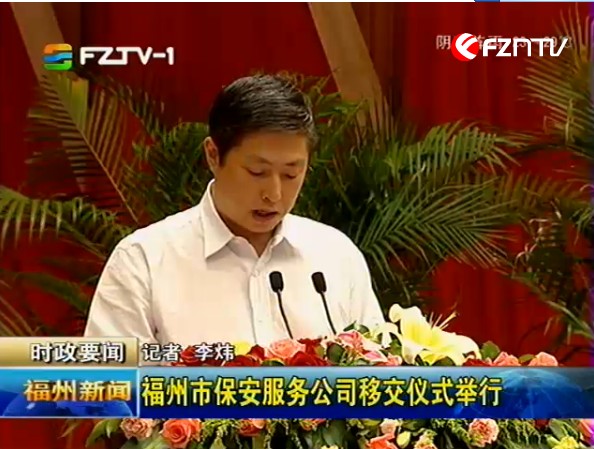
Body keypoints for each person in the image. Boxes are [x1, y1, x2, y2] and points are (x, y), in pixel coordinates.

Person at [84, 74, 384, 349]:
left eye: (291, 174)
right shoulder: (143, 261)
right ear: (213, 155)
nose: (274, 194)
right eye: (257, 172)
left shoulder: (336, 255)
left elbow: (379, 368)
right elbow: (109, 383)